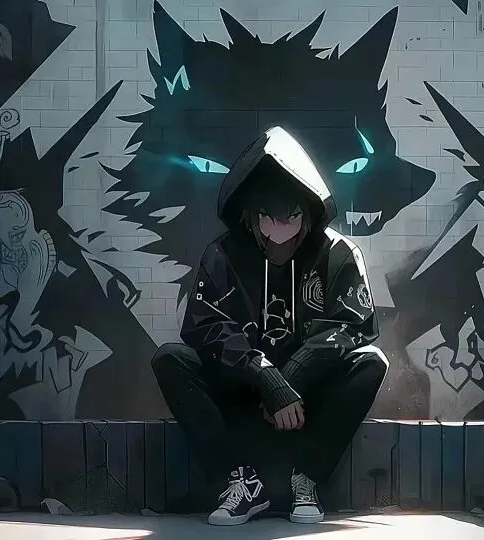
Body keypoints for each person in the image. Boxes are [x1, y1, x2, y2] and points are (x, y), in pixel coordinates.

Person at [152, 126, 388, 526]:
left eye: (290, 218)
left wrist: (290, 378)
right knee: (170, 360)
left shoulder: (338, 253)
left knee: (371, 362)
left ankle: (306, 479)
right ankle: (240, 483)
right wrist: (263, 375)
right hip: (244, 392)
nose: (278, 233)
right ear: (250, 215)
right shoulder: (223, 254)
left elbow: (354, 323)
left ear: (307, 212)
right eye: (267, 218)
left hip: (308, 397)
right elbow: (203, 325)